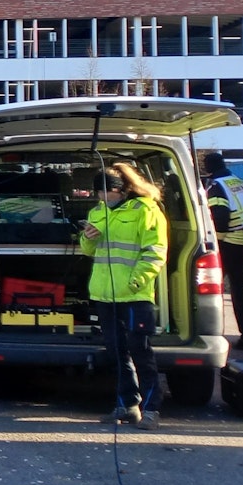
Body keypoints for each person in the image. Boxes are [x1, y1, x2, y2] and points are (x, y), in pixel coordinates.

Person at [80, 161, 167, 429]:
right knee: (116, 353)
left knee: (141, 352)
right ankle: (127, 405)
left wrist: (134, 283)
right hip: (105, 296)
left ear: (121, 190)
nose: (101, 198)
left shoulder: (146, 211)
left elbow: (155, 252)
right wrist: (90, 237)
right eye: (98, 193)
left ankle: (151, 409)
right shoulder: (97, 212)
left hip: (134, 296)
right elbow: (88, 251)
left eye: (105, 192)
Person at [201, 152, 243, 352]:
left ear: (208, 167)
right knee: (240, 291)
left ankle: (210, 334)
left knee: (210, 290)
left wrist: (213, 245)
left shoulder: (217, 186)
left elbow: (220, 218)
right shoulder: (238, 182)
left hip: (230, 242)